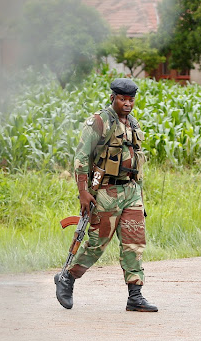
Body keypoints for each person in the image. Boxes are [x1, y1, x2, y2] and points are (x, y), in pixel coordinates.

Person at [58, 77, 157, 312]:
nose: (127, 103)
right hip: (106, 191)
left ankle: (135, 295)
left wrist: (140, 195)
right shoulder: (98, 122)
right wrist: (83, 193)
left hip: (131, 190)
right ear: (113, 98)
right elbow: (81, 159)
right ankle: (67, 278)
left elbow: (137, 161)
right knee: (96, 244)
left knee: (134, 243)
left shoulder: (133, 123)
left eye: (131, 99)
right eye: (122, 99)